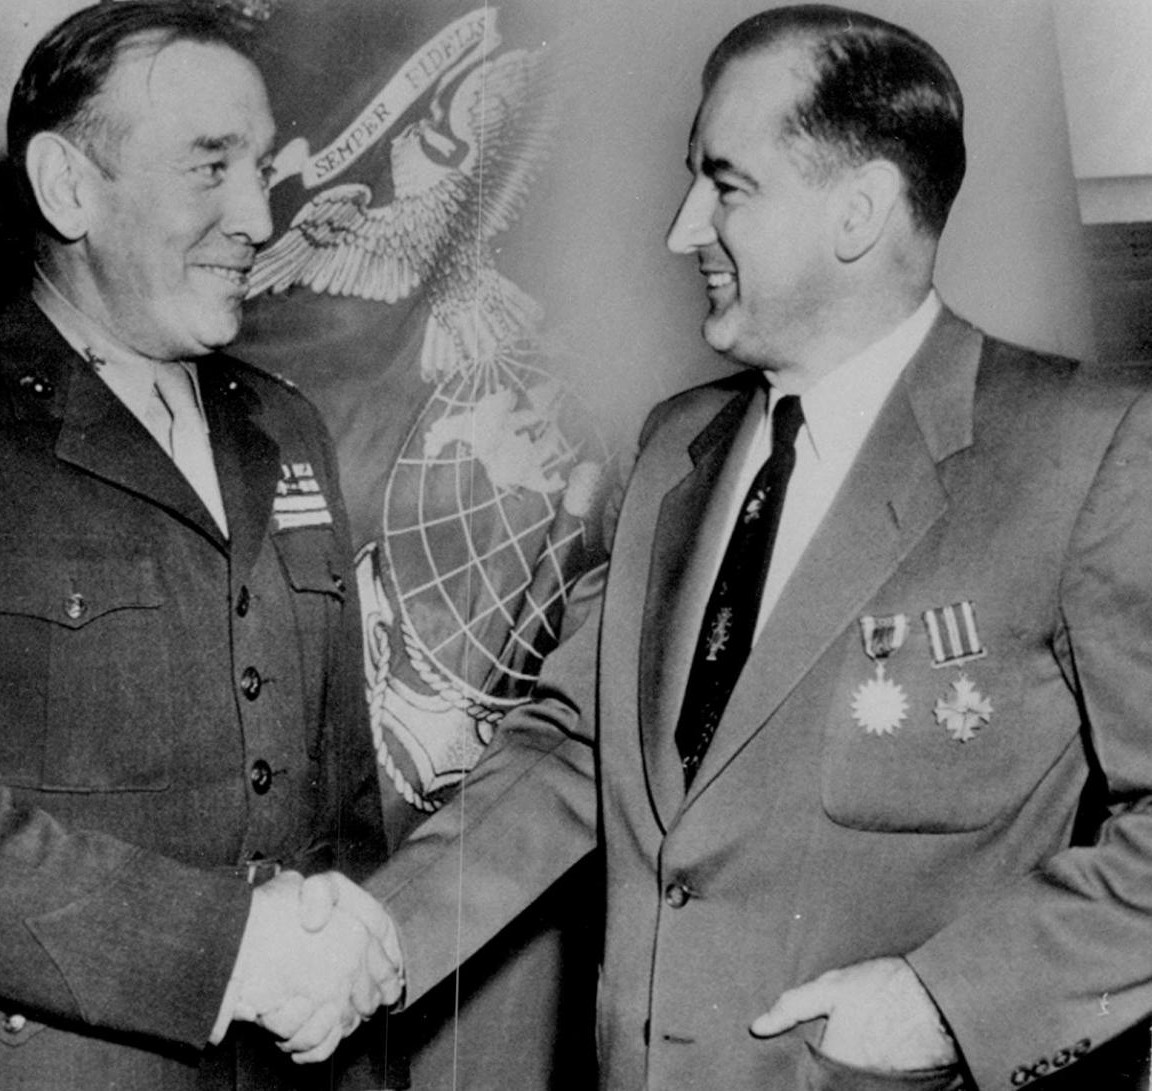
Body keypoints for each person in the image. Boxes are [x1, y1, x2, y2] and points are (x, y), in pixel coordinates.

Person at [285, 4, 1152, 1088]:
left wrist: (951, 1001)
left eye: (727, 185)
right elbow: (575, 747)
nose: (682, 228)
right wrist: (379, 937)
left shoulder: (1083, 447)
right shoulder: (673, 449)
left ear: (860, 209)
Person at [0, 4, 404, 1089]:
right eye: (210, 168)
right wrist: (230, 950)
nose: (258, 213)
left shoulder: (285, 427)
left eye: (260, 165)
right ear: (68, 188)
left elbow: (341, 815)